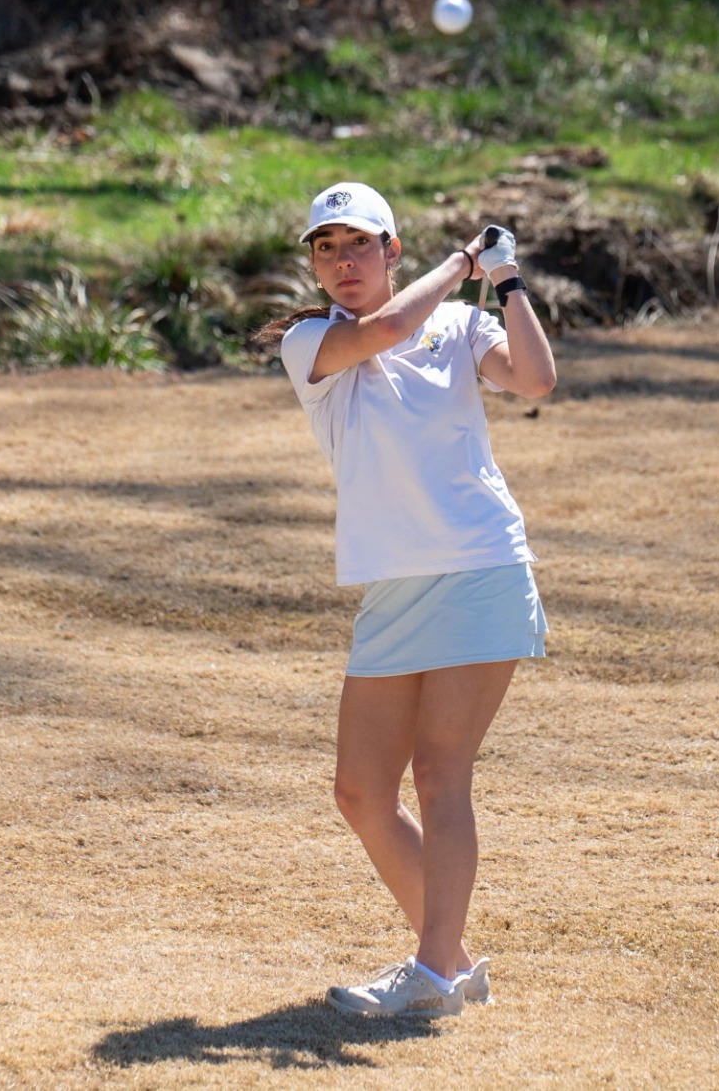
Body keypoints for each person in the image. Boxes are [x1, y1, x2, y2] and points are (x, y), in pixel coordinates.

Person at [259, 182, 556, 1018]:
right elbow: (387, 330)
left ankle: (432, 972)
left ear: (391, 251)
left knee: (439, 770)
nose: (343, 262)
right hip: (394, 588)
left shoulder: (461, 325)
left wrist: (506, 282)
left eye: (360, 245)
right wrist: (463, 261)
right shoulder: (313, 341)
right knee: (359, 791)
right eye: (326, 248)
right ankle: (453, 958)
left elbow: (536, 378)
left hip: (479, 569)